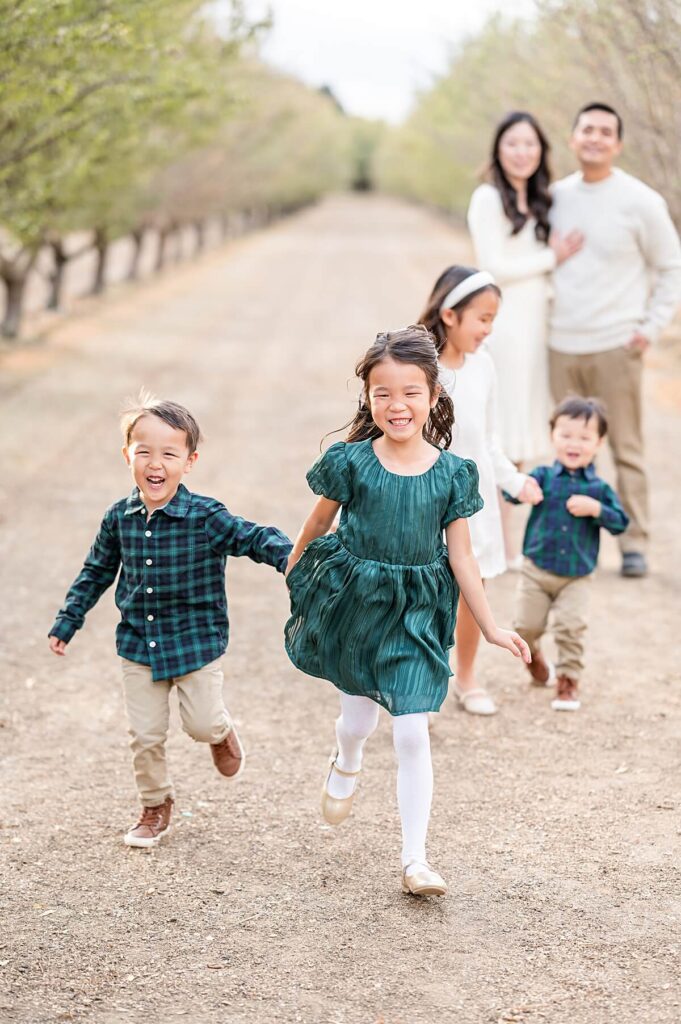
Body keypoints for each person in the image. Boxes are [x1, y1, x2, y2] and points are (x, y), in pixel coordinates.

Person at [284, 326, 530, 897]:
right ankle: (346, 758)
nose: (397, 405)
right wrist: (297, 571)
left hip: (418, 613)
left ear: (434, 396)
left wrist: (490, 625)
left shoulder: (452, 474)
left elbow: (462, 556)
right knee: (359, 720)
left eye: (410, 392)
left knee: (412, 733)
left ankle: (415, 860)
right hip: (357, 605)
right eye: (382, 393)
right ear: (368, 398)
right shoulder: (351, 462)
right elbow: (319, 523)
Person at [48, 393, 291, 848]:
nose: (154, 463)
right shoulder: (118, 518)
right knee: (144, 735)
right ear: (128, 456)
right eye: (143, 451)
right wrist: (68, 621)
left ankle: (219, 730)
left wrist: (290, 558)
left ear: (189, 461)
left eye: (168, 453)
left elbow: (252, 536)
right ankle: (155, 805)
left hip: (196, 642)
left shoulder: (205, 517)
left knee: (199, 724)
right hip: (139, 644)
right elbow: (96, 571)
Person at [549, 102, 681, 579]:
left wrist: (649, 328)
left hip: (615, 345)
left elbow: (671, 267)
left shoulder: (640, 200)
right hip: (561, 343)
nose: (596, 138)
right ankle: (562, 541)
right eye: (587, 129)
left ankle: (634, 544)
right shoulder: (555, 196)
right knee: (567, 447)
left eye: (606, 132)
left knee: (626, 447)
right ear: (573, 138)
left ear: (618, 143)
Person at [419, 265, 543, 716]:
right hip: (427, 500)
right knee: (428, 593)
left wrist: (514, 481)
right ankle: (423, 684)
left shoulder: (484, 366)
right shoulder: (421, 369)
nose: (489, 330)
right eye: (483, 319)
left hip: (477, 502)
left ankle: (467, 677)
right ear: (450, 315)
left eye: (493, 319)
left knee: (475, 593)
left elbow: (488, 441)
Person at [467, 111, 583, 563]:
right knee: (502, 433)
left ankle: (510, 543)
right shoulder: (487, 197)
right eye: (512, 143)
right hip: (507, 326)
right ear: (498, 148)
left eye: (530, 144)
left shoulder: (538, 199)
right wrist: (550, 257)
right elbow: (491, 266)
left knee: (523, 437)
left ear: (541, 151)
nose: (522, 152)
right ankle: (500, 545)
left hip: (537, 328)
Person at [504, 396, 628, 711]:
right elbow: (512, 493)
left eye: (585, 438)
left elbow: (620, 523)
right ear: (553, 435)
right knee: (524, 625)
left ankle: (567, 682)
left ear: (599, 442)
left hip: (577, 575)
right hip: (537, 568)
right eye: (566, 435)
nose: (574, 444)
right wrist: (521, 489)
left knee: (571, 627)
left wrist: (596, 509)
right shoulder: (544, 476)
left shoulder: (598, 489)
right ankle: (535, 657)